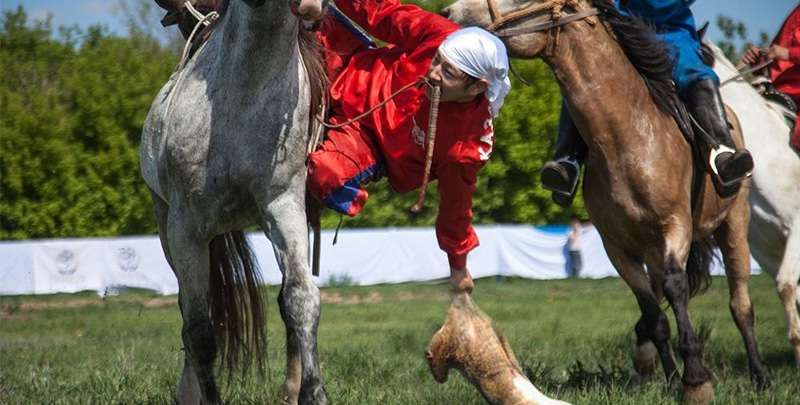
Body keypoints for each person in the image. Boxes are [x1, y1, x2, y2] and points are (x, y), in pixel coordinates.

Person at [307, 1, 511, 293]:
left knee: (326, 174)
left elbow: (456, 209)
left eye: (448, 73)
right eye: (436, 60)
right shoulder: (440, 33)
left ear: (477, 87)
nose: (434, 73)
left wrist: (458, 265)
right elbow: (382, 12)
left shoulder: (465, 147)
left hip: (363, 140)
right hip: (350, 62)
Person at [539, 0, 755, 207]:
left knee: (698, 74)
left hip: (670, 30)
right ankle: (568, 163)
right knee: (585, 80)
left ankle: (722, 152)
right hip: (622, 29)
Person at [741, 4, 800, 151]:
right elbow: (777, 62)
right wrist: (759, 61)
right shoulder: (796, 11)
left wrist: (789, 54)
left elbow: (785, 53)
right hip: (776, 89)